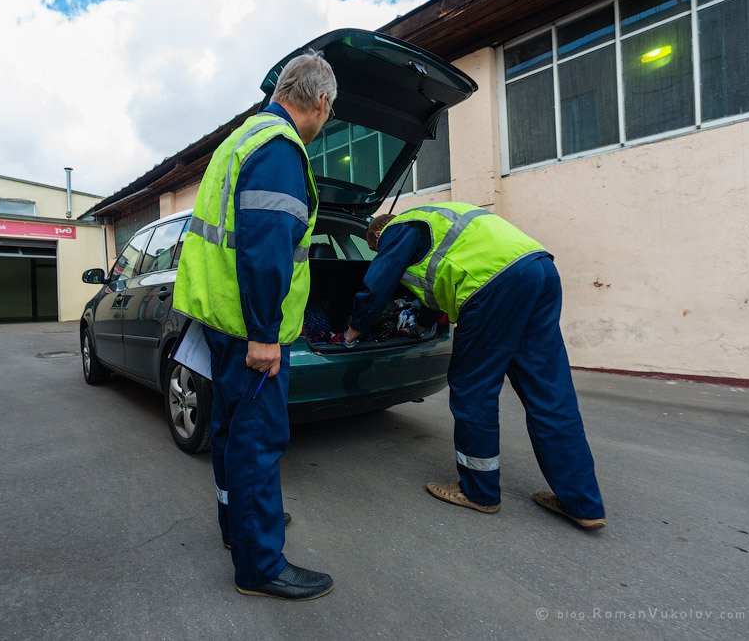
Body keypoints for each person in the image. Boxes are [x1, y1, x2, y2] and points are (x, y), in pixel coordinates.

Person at [173, 50, 337, 599]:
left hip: (221, 319)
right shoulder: (281, 149)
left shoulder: (240, 140)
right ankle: (261, 565)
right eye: (329, 111)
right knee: (258, 442)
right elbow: (267, 249)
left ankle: (237, 528)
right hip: (251, 329)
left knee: (229, 431)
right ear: (320, 101)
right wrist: (266, 334)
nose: (326, 119)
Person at [343, 203, 606, 530]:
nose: (379, 252)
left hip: (493, 286)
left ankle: (479, 491)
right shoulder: (437, 223)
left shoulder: (400, 228)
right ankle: (582, 502)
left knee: (474, 390)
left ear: (379, 234)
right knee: (550, 393)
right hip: (539, 268)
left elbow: (379, 281)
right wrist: (424, 324)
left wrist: (355, 328)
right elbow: (432, 290)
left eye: (375, 248)